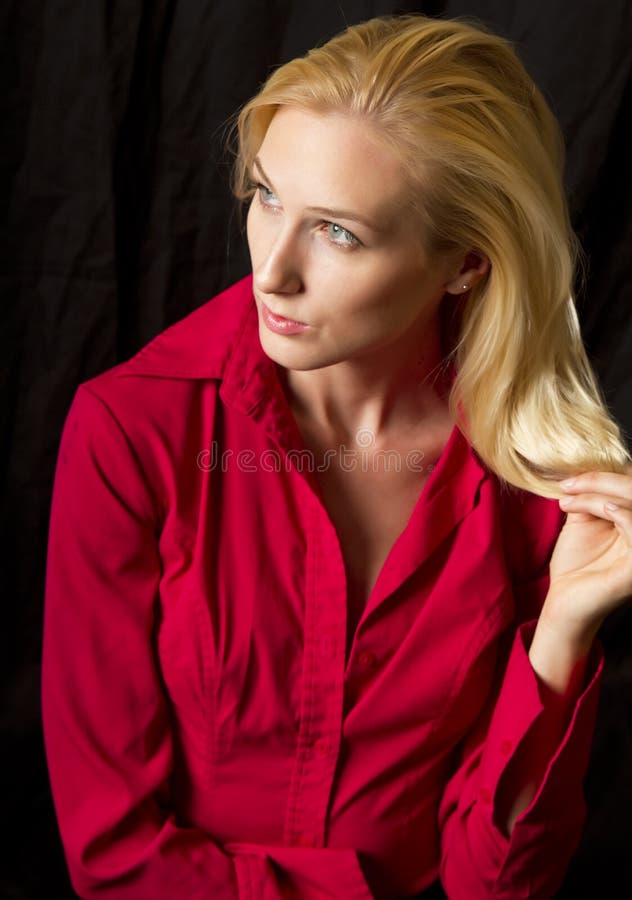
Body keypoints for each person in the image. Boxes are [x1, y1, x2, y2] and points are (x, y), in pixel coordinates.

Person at [42, 14, 632, 900]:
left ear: (467, 261)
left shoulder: (533, 480)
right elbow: (111, 853)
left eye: (339, 232)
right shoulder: (132, 432)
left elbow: (494, 882)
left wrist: (564, 631)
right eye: (268, 197)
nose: (271, 269)